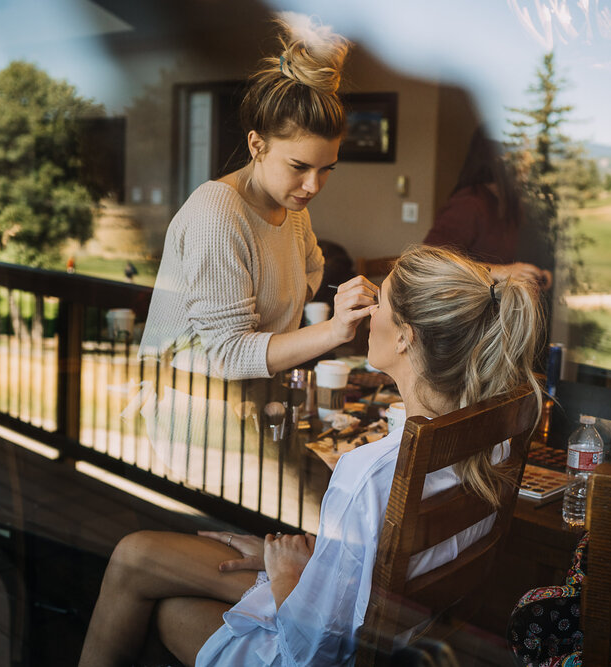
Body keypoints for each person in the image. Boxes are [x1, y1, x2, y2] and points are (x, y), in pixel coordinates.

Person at [79, 245, 543, 666]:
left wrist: (286, 575)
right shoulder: (493, 438)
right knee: (136, 553)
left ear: (406, 337)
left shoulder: (370, 472)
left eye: (380, 302)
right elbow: (378, 562)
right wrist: (311, 556)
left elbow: (310, 654)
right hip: (395, 627)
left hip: (327, 649)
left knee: (164, 605)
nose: (369, 312)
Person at [136, 14, 374, 382]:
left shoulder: (291, 209)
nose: (313, 185)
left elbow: (312, 269)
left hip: (256, 405)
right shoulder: (216, 214)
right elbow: (227, 355)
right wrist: (333, 329)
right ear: (257, 145)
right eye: (299, 166)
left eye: (327, 169)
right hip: (193, 415)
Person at [423, 128, 552, 290]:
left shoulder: (510, 205)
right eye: (522, 154)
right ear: (499, 158)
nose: (531, 161)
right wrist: (500, 271)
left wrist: (537, 275)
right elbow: (429, 260)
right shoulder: (469, 204)